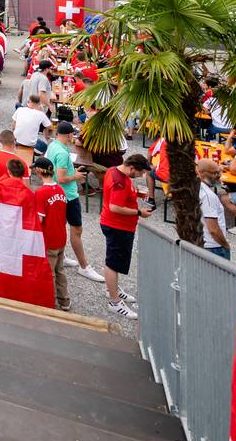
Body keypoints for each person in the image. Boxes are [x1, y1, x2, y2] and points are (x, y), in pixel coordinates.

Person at [99, 153, 152, 319]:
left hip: (116, 224)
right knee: (113, 263)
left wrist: (135, 195)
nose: (141, 176)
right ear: (131, 168)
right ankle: (114, 301)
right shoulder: (120, 181)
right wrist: (138, 212)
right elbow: (115, 206)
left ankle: (113, 289)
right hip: (117, 226)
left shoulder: (114, 171)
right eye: (140, 173)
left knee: (115, 260)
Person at [47, 120, 99, 281]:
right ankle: (84, 266)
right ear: (69, 135)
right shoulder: (63, 153)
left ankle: (62, 256)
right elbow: (62, 177)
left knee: (61, 226)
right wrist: (75, 176)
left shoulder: (53, 146)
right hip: (68, 195)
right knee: (76, 230)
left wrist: (71, 170)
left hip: (58, 194)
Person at [27, 158, 71, 310]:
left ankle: (49, 301)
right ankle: (64, 299)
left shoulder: (40, 193)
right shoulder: (60, 189)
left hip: (48, 239)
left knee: (49, 273)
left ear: (39, 171)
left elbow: (39, 219)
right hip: (61, 236)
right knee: (60, 270)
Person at [196, 158, 230, 260]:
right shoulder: (208, 196)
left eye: (219, 171)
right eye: (214, 173)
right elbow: (213, 229)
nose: (218, 175)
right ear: (201, 173)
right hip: (214, 247)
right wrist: (225, 245)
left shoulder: (196, 188)